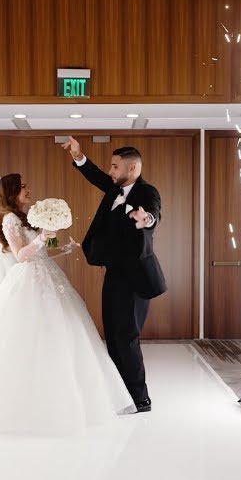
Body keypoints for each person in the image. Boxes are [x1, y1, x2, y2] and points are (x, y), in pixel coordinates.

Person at [0, 174, 133, 434]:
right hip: (29, 280)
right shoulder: (9, 219)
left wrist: (62, 248)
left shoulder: (24, 217)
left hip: (47, 275)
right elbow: (21, 255)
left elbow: (41, 252)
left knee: (62, 334)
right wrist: (42, 237)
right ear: (11, 192)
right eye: (22, 187)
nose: (28, 189)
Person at [61, 138, 166, 413]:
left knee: (127, 337)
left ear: (132, 168)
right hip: (114, 274)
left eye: (115, 166)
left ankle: (140, 399)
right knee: (113, 336)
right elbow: (96, 175)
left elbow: (153, 213)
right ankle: (120, 394)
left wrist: (147, 220)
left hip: (135, 278)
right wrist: (79, 155)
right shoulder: (115, 188)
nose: (110, 171)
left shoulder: (147, 192)